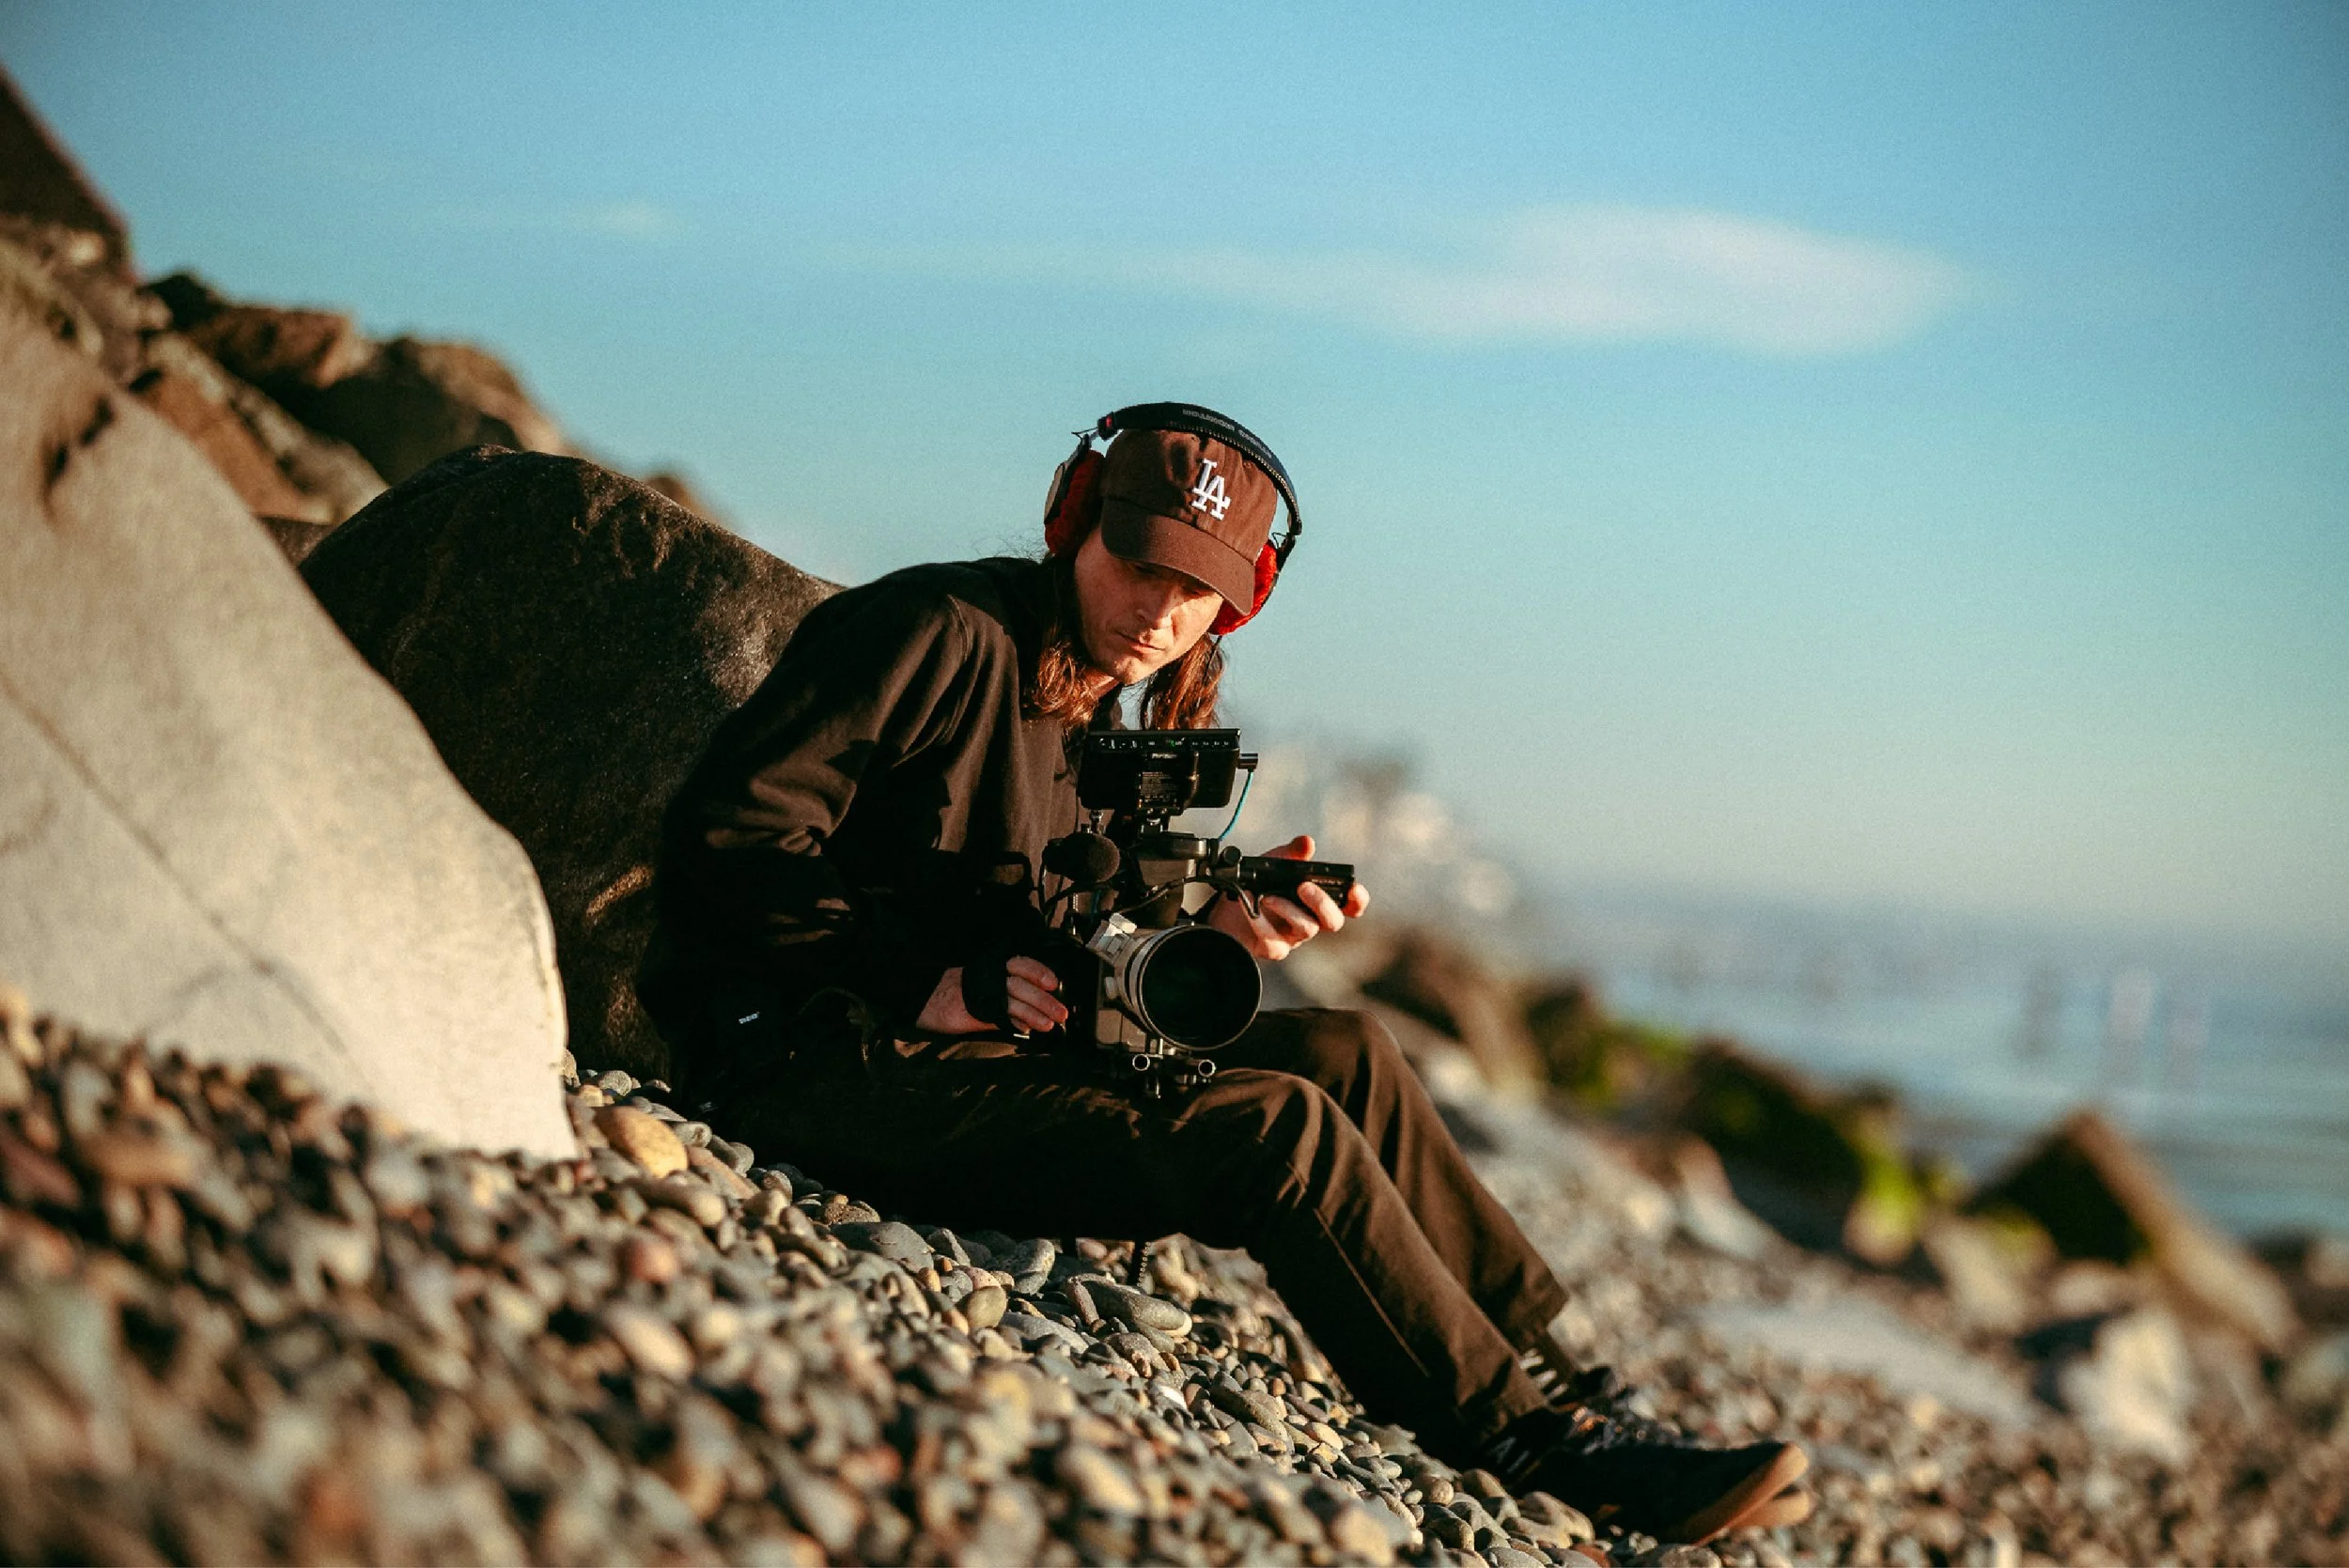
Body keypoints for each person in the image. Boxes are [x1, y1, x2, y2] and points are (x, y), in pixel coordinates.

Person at [638, 404, 1811, 1543]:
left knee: (1346, 1049)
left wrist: (1226, 936)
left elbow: (1078, 944)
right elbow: (731, 831)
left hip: (987, 1052)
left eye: (1193, 589)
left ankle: (1570, 1384)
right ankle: (1526, 1441)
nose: (1157, 612)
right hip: (819, 1058)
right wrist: (918, 982)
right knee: (1277, 1130)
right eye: (1138, 563)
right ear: (1074, 522)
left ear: (1238, 598)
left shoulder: (1107, 707)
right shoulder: (941, 630)